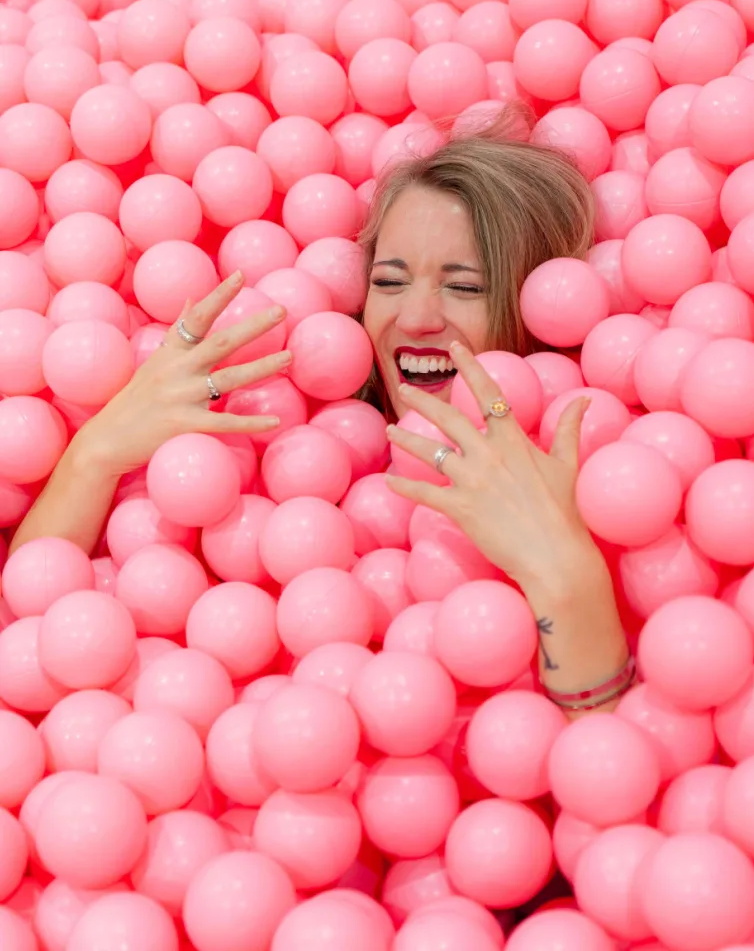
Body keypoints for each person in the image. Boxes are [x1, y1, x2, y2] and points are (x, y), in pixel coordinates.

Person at [9, 106, 632, 716]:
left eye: (464, 286)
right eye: (389, 281)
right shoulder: (272, 437)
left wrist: (565, 575)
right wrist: (96, 453)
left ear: (543, 307)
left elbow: (598, 781)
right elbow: (24, 640)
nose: (414, 319)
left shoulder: (578, 479)